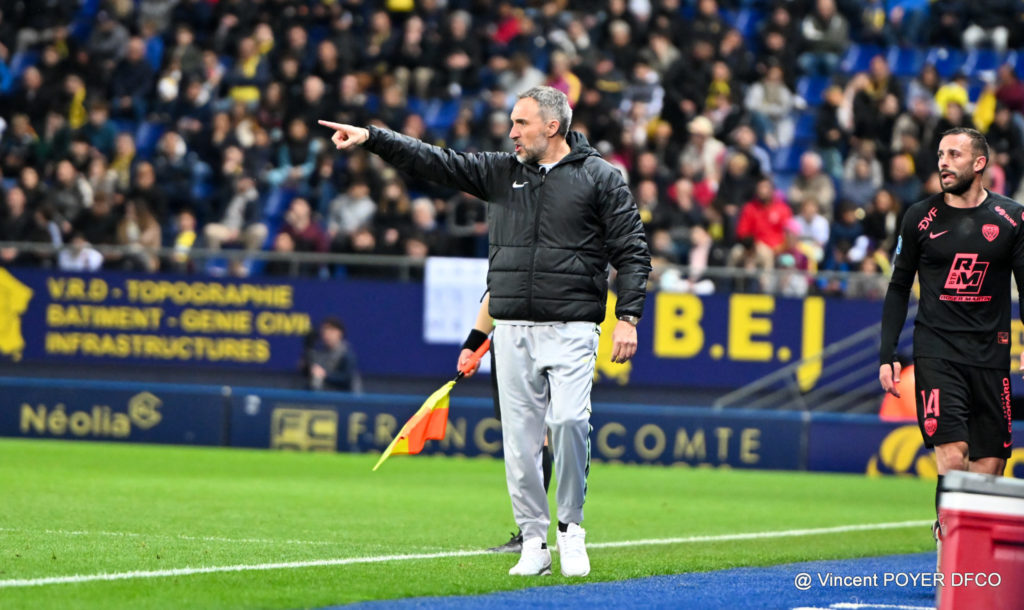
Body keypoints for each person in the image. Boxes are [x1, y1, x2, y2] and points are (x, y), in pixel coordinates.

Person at [320, 85, 651, 578]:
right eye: (512, 122)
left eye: (521, 123)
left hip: (573, 326)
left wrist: (627, 317)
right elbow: (435, 161)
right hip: (512, 327)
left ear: (552, 127)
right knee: (520, 443)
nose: (511, 132)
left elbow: (632, 250)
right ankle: (534, 541)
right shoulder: (500, 172)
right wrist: (373, 138)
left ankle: (570, 529)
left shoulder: (600, 177)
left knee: (568, 424)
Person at [878, 127, 1021, 568]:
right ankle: (950, 554)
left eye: (955, 154)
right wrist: (887, 354)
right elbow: (898, 287)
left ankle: (974, 561)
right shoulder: (918, 217)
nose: (943, 162)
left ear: (979, 163)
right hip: (936, 351)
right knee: (953, 452)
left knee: (989, 465)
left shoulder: (1012, 219)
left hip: (991, 354)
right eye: (941, 154)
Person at [458, 293, 553, 554]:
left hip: (553, 336)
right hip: (508, 343)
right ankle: (532, 535)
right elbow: (497, 289)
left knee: (542, 433)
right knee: (524, 437)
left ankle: (552, 532)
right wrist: (474, 342)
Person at [305, 317, 362, 393]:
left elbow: (347, 378)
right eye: (324, 331)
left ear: (340, 333)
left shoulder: (346, 354)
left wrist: (325, 375)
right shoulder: (319, 354)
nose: (327, 334)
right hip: (323, 396)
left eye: (331, 331)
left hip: (345, 397)